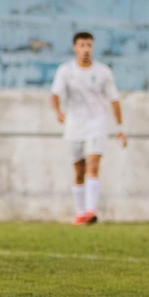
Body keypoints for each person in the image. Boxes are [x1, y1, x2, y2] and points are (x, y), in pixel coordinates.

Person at [51, 31, 125, 225]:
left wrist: (120, 127)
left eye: (89, 45)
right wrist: (58, 111)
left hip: (96, 123)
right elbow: (55, 94)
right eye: (82, 45)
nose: (86, 49)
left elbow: (114, 100)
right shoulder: (65, 70)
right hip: (74, 124)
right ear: (75, 47)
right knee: (78, 170)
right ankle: (80, 213)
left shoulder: (103, 71)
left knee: (93, 164)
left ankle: (91, 211)